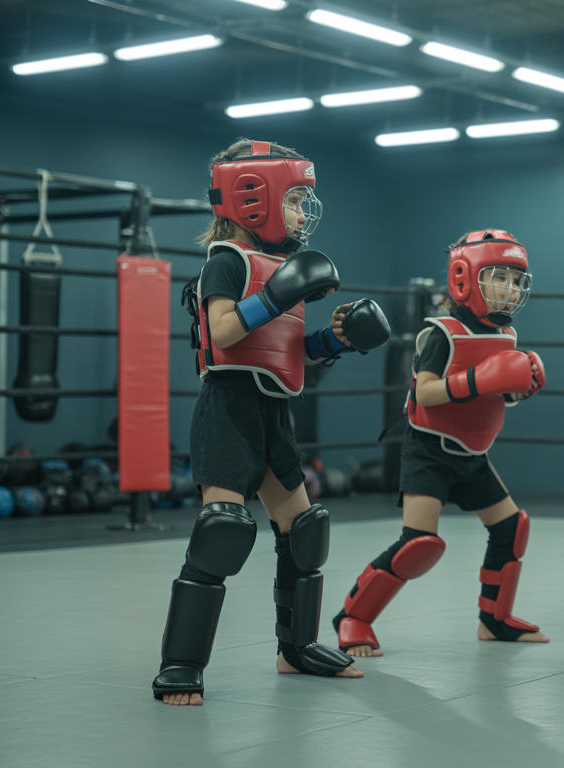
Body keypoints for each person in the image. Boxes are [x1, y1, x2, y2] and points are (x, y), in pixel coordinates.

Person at [153, 139, 392, 706]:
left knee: (305, 532)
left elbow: (285, 347)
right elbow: (225, 334)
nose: (301, 213)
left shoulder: (284, 264)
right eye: (293, 200)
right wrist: (281, 293)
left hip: (273, 410)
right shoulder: (227, 261)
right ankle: (181, 664)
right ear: (252, 199)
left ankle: (297, 648)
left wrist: (337, 339)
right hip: (228, 409)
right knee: (224, 531)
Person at [333, 229, 550, 656]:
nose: (509, 290)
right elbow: (425, 393)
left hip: (472, 453)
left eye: (515, 280)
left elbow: (495, 392)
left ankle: (494, 620)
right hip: (429, 451)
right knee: (419, 544)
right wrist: (479, 380)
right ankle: (353, 618)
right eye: (499, 278)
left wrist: (516, 390)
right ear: (464, 278)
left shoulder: (505, 336)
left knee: (511, 527)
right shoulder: (442, 333)